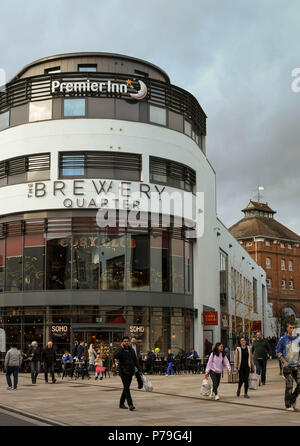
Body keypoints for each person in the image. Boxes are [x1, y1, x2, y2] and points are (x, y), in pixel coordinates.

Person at [276, 322, 300, 411]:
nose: (292, 329)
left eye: (294, 327)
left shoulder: (298, 339)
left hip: (297, 365)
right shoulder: (283, 339)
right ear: (287, 328)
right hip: (287, 366)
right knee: (289, 384)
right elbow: (278, 352)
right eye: (290, 327)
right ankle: (288, 405)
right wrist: (284, 362)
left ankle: (293, 399)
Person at [114, 336, 142, 411]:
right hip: (123, 372)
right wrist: (121, 348)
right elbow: (115, 356)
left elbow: (135, 361)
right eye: (124, 341)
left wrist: (140, 370)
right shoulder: (120, 350)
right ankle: (130, 404)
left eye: (127, 341)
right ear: (122, 342)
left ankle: (121, 403)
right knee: (126, 387)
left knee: (126, 388)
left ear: (129, 342)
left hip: (130, 371)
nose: (126, 342)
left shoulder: (131, 350)